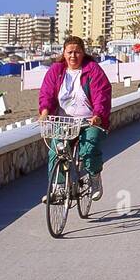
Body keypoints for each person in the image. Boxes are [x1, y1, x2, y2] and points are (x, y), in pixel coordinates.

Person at [38, 36, 112, 201]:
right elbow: (47, 92)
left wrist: (98, 115)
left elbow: (102, 94)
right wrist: (44, 111)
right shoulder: (56, 70)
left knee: (90, 147)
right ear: (64, 53)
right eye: (70, 52)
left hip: (89, 120)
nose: (73, 56)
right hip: (64, 121)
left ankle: (94, 178)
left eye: (77, 52)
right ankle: (58, 188)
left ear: (83, 53)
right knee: (56, 151)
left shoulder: (93, 69)